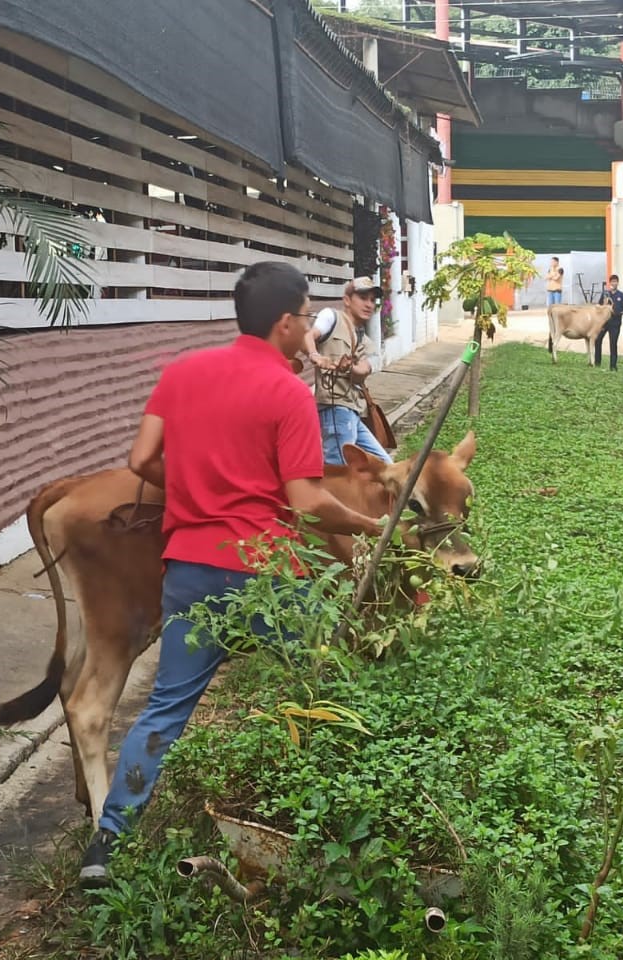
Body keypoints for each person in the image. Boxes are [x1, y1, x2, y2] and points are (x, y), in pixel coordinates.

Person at [79, 261, 384, 887]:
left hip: (189, 569)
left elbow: (141, 459)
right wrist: (371, 526)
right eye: (305, 317)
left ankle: (105, 847)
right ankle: (330, 838)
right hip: (266, 574)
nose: (309, 329)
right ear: (283, 322)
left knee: (164, 709)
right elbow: (305, 502)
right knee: (316, 696)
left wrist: (194, 491)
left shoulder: (182, 372)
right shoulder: (288, 394)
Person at [302, 276, 392, 465]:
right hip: (335, 409)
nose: (369, 304)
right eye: (362, 297)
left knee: (384, 466)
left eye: (372, 300)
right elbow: (309, 335)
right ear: (347, 300)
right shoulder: (332, 317)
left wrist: (351, 367)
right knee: (339, 471)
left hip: (354, 411)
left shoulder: (367, 342)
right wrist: (315, 356)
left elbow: (364, 369)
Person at [594, 273, 623, 371]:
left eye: (615, 281)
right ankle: (597, 362)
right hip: (604, 323)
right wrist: (604, 304)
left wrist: (617, 313)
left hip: (615, 323)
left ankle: (613, 366)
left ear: (618, 283)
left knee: (613, 343)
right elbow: (598, 306)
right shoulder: (605, 294)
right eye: (612, 281)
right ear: (610, 283)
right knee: (598, 340)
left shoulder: (622, 295)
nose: (614, 283)